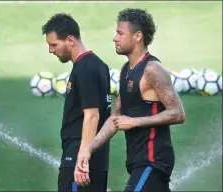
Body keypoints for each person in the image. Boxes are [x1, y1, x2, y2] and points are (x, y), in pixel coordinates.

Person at [76, 8, 185, 192]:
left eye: (120, 33)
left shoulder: (152, 69)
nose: (115, 38)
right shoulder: (126, 69)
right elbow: (115, 119)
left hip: (153, 161)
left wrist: (134, 122)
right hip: (137, 161)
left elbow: (178, 113)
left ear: (138, 36)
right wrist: (88, 148)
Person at [42, 13, 111, 192]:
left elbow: (92, 116)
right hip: (94, 158)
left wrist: (81, 160)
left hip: (79, 157)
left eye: (54, 44)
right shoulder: (96, 64)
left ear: (70, 40)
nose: (51, 50)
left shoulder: (86, 68)